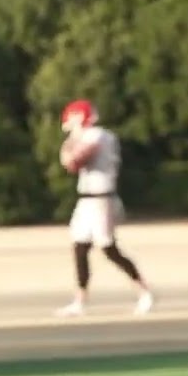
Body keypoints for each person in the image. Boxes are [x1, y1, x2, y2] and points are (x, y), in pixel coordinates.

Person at [54, 99, 155, 317]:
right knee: (80, 246)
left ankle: (144, 291)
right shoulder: (88, 136)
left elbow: (73, 161)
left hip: (101, 198)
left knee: (108, 248)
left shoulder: (97, 135)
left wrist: (72, 139)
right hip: (87, 199)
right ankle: (80, 300)